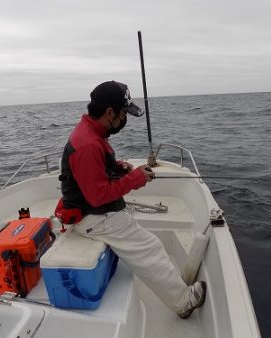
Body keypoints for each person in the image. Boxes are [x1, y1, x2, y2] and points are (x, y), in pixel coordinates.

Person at [55, 80, 206, 319]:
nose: (125, 119)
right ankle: (184, 302)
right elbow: (98, 196)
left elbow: (95, 170)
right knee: (151, 248)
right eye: (124, 113)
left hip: (92, 211)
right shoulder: (89, 144)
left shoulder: (91, 131)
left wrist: (116, 167)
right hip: (93, 216)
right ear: (110, 113)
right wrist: (135, 178)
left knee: (148, 243)